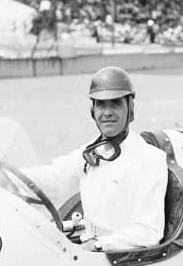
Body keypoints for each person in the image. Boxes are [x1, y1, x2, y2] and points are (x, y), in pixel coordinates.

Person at [18, 66, 168, 252]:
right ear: (92, 110)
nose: (107, 112)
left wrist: (99, 245)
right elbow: (54, 177)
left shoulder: (149, 159)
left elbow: (148, 232)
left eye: (115, 104)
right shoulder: (92, 151)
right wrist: (12, 177)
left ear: (130, 109)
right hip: (88, 254)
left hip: (120, 263)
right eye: (101, 104)